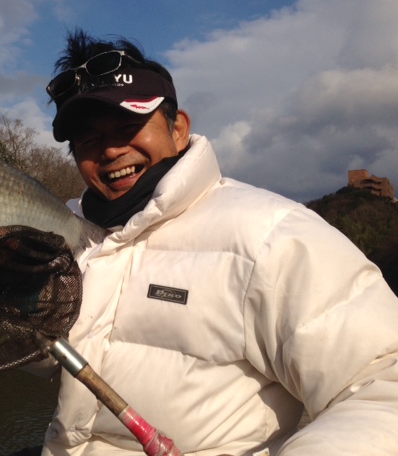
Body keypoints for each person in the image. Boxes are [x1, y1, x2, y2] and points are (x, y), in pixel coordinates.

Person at [37, 29, 398, 456]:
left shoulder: (272, 234)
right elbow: (42, 358)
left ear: (178, 129)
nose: (111, 150)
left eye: (128, 126)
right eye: (90, 139)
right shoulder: (64, 240)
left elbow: (381, 387)